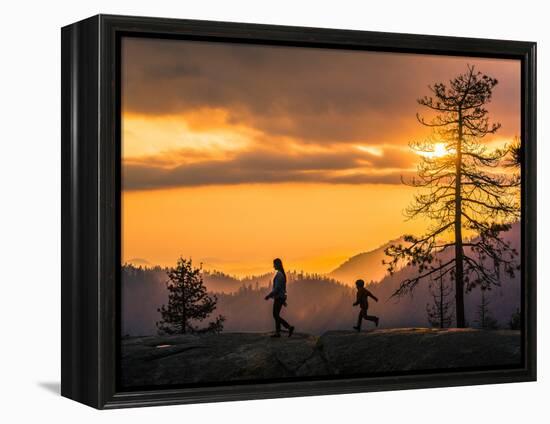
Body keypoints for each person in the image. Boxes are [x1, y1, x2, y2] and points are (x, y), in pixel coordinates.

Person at [265, 258, 295, 338]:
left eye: (274, 264)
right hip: (280, 298)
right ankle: (279, 332)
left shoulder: (279, 275)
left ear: (278, 264)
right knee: (276, 315)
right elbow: (282, 288)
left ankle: (288, 328)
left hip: (279, 298)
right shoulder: (281, 274)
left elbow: (277, 288)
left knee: (275, 315)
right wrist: (283, 300)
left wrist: (269, 295)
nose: (273, 266)